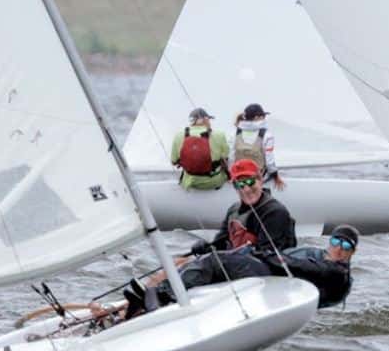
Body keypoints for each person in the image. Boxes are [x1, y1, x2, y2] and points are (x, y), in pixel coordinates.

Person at [128, 159, 297, 314]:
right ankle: (144, 295)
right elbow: (221, 242)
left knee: (212, 261)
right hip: (237, 263)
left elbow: (269, 254)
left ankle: (163, 295)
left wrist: (225, 255)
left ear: (260, 180)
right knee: (179, 262)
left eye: (250, 181)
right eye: (240, 183)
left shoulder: (274, 212)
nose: (246, 188)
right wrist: (207, 247)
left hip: (268, 271)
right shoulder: (234, 210)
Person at [204, 223, 360, 309]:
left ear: (352, 252)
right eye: (335, 242)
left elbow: (299, 266)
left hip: (276, 286)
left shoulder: (338, 273)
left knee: (218, 260)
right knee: (220, 257)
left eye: (345, 245)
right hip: (275, 279)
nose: (339, 249)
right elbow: (287, 255)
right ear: (330, 242)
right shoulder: (314, 253)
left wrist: (265, 255)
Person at [169, 107, 229, 190]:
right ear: (203, 119)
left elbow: (173, 161)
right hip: (214, 181)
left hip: (189, 182)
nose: (209, 122)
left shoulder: (178, 135)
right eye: (208, 119)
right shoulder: (219, 135)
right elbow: (225, 156)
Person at [231, 103, 285, 191]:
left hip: (240, 175)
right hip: (258, 176)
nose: (264, 118)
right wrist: (276, 176)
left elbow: (231, 157)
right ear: (256, 117)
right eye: (263, 116)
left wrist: (232, 176)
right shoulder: (267, 135)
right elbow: (269, 161)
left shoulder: (234, 133)